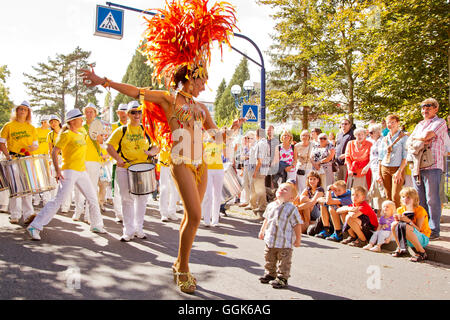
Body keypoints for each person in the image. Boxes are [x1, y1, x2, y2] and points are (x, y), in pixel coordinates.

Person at [81, 0, 241, 294]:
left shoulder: (202, 108)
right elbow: (135, 90)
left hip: (200, 161)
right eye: (202, 80)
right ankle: (184, 268)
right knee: (194, 215)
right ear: (190, 78)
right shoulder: (169, 99)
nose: (205, 85)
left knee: (191, 219)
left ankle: (180, 264)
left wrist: (229, 131)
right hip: (180, 159)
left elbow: (215, 135)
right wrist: (103, 81)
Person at [26, 109, 106, 240]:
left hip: (81, 171)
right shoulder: (66, 135)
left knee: (92, 198)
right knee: (59, 200)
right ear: (73, 121)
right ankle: (35, 226)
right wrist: (57, 171)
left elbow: (95, 138)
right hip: (69, 171)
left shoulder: (82, 133)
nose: (83, 120)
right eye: (80, 118)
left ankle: (97, 225)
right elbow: (54, 152)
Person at [107, 102, 159, 241]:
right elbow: (109, 146)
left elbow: (157, 146)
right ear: (128, 114)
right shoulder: (121, 130)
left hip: (143, 169)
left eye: (139, 112)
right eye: (133, 112)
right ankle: (128, 231)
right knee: (127, 199)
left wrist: (150, 152)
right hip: (124, 169)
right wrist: (118, 158)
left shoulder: (147, 130)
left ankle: (139, 229)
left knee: (142, 200)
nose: (137, 115)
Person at [407, 98, 447, 240]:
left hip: (433, 165)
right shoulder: (419, 124)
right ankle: (423, 228)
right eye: (423, 108)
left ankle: (434, 230)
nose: (425, 110)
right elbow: (408, 142)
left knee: (432, 199)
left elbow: (426, 136)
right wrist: (420, 139)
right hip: (417, 166)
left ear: (436, 109)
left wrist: (417, 139)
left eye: (428, 108)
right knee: (420, 200)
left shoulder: (440, 122)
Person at [258, 182, 302, 289]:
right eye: (280, 188)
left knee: (284, 262)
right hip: (271, 240)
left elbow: (297, 225)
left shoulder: (292, 209)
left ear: (292, 197)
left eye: (285, 190)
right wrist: (262, 230)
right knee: (269, 258)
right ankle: (270, 274)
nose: (281, 190)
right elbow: (267, 219)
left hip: (284, 243)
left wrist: (298, 239)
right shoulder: (271, 206)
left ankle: (282, 278)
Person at [0, 101, 38, 224]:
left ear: (28, 113)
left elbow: (35, 145)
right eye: (20, 109)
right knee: (15, 187)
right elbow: (1, 143)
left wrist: (33, 148)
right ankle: (15, 214)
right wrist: (7, 155)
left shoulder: (31, 128)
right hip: (13, 158)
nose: (22, 111)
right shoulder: (9, 125)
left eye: (25, 110)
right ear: (16, 111)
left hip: (27, 160)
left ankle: (28, 214)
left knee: (27, 187)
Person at [73, 103, 105, 223]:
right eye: (87, 111)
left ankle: (88, 215)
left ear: (95, 114)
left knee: (91, 188)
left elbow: (102, 144)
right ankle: (77, 211)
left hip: (94, 160)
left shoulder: (99, 126)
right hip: (80, 159)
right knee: (78, 187)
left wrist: (100, 140)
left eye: (91, 111)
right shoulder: (80, 127)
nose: (89, 114)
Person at [391, 187, 431, 262]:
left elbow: (419, 229)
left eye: (408, 197)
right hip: (406, 237)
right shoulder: (400, 209)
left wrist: (409, 221)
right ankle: (401, 248)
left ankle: (422, 252)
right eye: (403, 197)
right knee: (394, 224)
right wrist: (398, 219)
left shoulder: (420, 210)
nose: (405, 200)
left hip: (422, 238)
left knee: (406, 226)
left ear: (414, 199)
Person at [377, 115, 408, 208]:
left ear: (398, 123)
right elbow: (380, 157)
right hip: (385, 167)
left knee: (396, 196)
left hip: (397, 168)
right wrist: (379, 173)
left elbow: (405, 157)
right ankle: (389, 218)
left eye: (393, 122)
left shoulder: (403, 137)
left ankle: (398, 218)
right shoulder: (384, 138)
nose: (390, 124)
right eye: (388, 123)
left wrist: (399, 171)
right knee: (388, 196)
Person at [110, 103, 129, 223]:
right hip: (115, 160)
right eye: (121, 112)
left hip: (128, 162)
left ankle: (128, 214)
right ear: (117, 113)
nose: (123, 114)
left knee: (128, 190)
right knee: (116, 189)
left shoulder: (131, 127)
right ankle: (118, 213)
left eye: (125, 112)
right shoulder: (112, 126)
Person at [201, 132, 225, 227]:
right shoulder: (204, 144)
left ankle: (215, 220)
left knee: (217, 195)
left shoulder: (220, 143)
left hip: (219, 169)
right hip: (208, 170)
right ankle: (206, 219)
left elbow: (227, 153)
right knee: (208, 195)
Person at [248, 128, 271, 216]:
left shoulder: (261, 144)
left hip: (260, 169)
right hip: (263, 169)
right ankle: (258, 205)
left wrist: (255, 171)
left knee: (260, 189)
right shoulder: (265, 143)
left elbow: (259, 160)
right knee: (258, 188)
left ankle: (262, 207)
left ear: (257, 135)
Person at [33, 115, 52, 207]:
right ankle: (36, 198)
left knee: (46, 178)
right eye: (48, 122)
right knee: (36, 178)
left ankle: (46, 199)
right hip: (36, 156)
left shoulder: (50, 132)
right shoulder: (36, 130)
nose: (49, 124)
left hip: (46, 157)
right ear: (43, 122)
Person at [366, 123, 385, 211]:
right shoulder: (372, 141)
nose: (370, 134)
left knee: (381, 191)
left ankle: (383, 212)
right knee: (376, 192)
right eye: (369, 132)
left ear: (378, 132)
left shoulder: (382, 141)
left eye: (371, 132)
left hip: (379, 168)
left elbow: (381, 157)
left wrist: (379, 173)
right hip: (373, 168)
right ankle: (377, 211)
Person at [239, 131, 255, 207]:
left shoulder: (255, 146)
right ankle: (247, 201)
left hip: (252, 166)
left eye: (250, 138)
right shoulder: (244, 147)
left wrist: (247, 157)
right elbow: (241, 157)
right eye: (247, 138)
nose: (248, 139)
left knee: (252, 184)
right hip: (246, 166)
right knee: (245, 183)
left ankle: (252, 202)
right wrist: (247, 157)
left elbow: (255, 157)